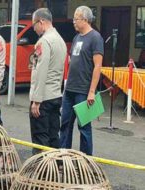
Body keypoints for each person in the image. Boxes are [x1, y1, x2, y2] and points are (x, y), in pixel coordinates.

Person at [59, 6, 104, 155]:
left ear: (85, 20)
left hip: (84, 91)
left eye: (76, 19)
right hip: (70, 89)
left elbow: (97, 66)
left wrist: (92, 91)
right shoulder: (76, 37)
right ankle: (63, 156)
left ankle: (86, 160)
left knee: (84, 127)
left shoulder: (95, 38)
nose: (74, 22)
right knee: (65, 124)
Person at [29, 8, 67, 155]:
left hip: (43, 97)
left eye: (34, 25)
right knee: (53, 136)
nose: (34, 29)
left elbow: (40, 71)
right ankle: (55, 169)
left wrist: (36, 100)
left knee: (40, 137)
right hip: (56, 95)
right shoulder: (60, 40)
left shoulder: (44, 41)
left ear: (41, 21)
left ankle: (40, 172)